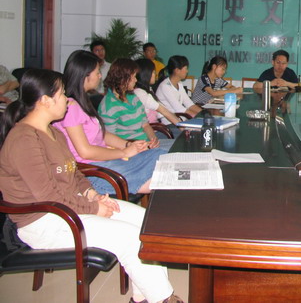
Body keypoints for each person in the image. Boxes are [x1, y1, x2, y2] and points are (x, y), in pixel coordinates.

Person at [0, 69, 182, 303]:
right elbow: (48, 197)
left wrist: (93, 195)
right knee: (129, 237)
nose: (67, 99)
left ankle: (142, 298)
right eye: (62, 94)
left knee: (147, 223)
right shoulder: (24, 140)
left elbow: (74, 173)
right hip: (44, 221)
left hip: (70, 208)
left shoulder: (53, 132)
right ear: (45, 100)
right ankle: (163, 299)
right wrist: (94, 208)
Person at [54, 50, 163, 195]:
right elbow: (85, 152)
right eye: (97, 72)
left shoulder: (83, 101)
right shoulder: (71, 107)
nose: (100, 76)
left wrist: (129, 145)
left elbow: (103, 135)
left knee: (160, 156)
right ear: (85, 75)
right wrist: (123, 152)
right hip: (94, 170)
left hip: (105, 160)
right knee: (162, 177)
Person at [99, 59, 176, 149]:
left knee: (182, 147)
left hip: (146, 143)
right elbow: (110, 140)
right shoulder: (108, 105)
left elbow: (145, 124)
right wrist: (135, 146)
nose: (136, 80)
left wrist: (153, 140)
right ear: (123, 78)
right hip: (132, 148)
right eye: (134, 77)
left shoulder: (132, 97)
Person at [134, 58, 182, 129]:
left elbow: (163, 110)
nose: (156, 74)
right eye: (153, 72)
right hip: (152, 131)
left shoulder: (148, 89)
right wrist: (183, 127)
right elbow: (164, 111)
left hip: (158, 127)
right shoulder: (140, 93)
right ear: (146, 74)